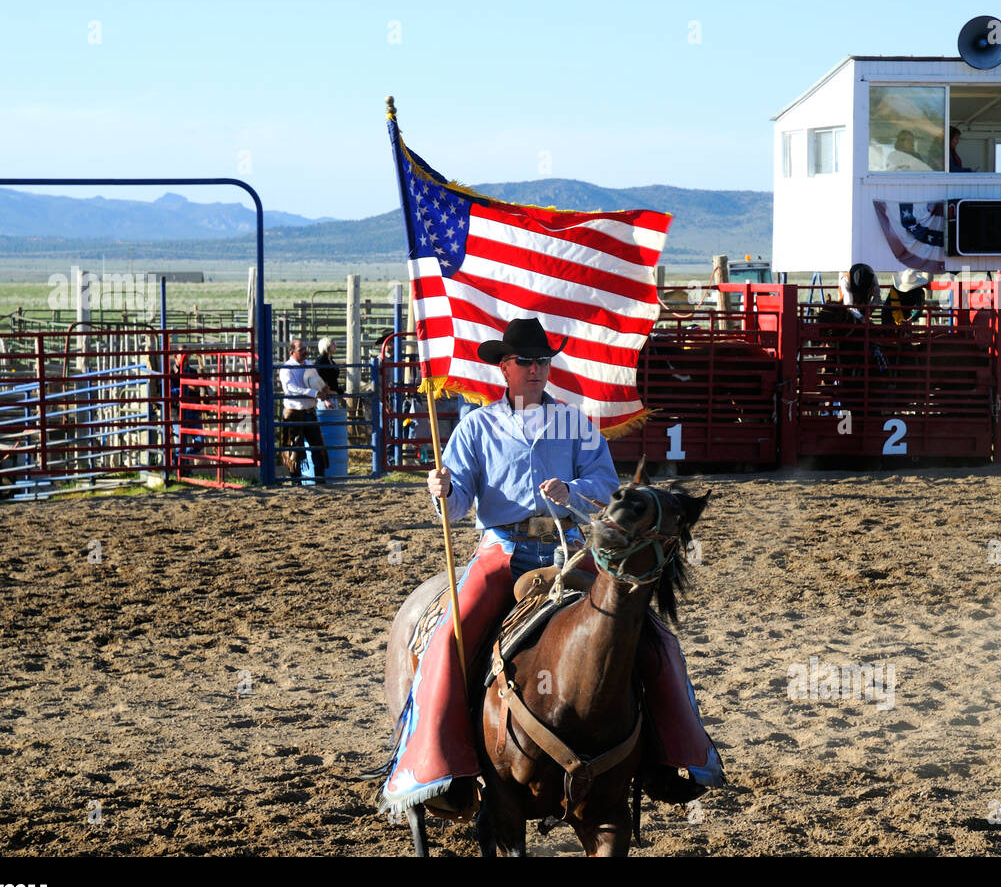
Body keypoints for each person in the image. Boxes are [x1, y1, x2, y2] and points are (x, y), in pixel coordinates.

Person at [381, 316, 724, 817]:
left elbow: (607, 486)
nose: (538, 369)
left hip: (570, 549)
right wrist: (445, 491)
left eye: (544, 360)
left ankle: (675, 757)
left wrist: (573, 493)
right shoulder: (477, 426)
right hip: (502, 550)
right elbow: (456, 507)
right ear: (505, 367)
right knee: (449, 639)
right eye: (527, 361)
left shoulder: (574, 421)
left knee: (652, 634)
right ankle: (435, 762)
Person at [278, 339, 332, 479]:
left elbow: (316, 380)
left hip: (308, 410)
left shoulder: (308, 365)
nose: (305, 352)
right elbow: (290, 389)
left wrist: (322, 389)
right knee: (294, 448)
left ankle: (320, 478)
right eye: (301, 350)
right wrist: (314, 393)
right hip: (294, 412)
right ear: (292, 352)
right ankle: (296, 481)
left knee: (317, 446)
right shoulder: (287, 368)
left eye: (305, 349)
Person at [313, 337, 343, 410]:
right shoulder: (321, 361)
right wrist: (326, 400)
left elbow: (333, 380)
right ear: (327, 346)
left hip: (332, 395)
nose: (335, 345)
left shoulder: (331, 361)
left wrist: (340, 392)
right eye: (333, 344)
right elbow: (319, 381)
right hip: (325, 398)